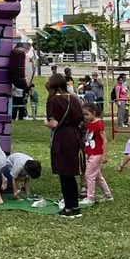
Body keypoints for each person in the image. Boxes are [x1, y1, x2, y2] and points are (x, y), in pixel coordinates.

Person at [45, 73, 86, 217]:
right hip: (75, 136)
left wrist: (46, 123)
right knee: (71, 173)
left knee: (64, 173)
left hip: (62, 137)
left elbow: (53, 123)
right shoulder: (73, 98)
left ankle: (69, 207)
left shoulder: (53, 100)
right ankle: (74, 206)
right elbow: (81, 119)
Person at [81, 101, 112, 205]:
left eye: (86, 114)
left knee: (89, 175)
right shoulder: (89, 124)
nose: (85, 117)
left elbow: (104, 140)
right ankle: (108, 195)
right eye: (83, 114)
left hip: (97, 154)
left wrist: (105, 154)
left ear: (93, 113)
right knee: (98, 176)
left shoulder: (98, 124)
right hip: (90, 153)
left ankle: (90, 197)